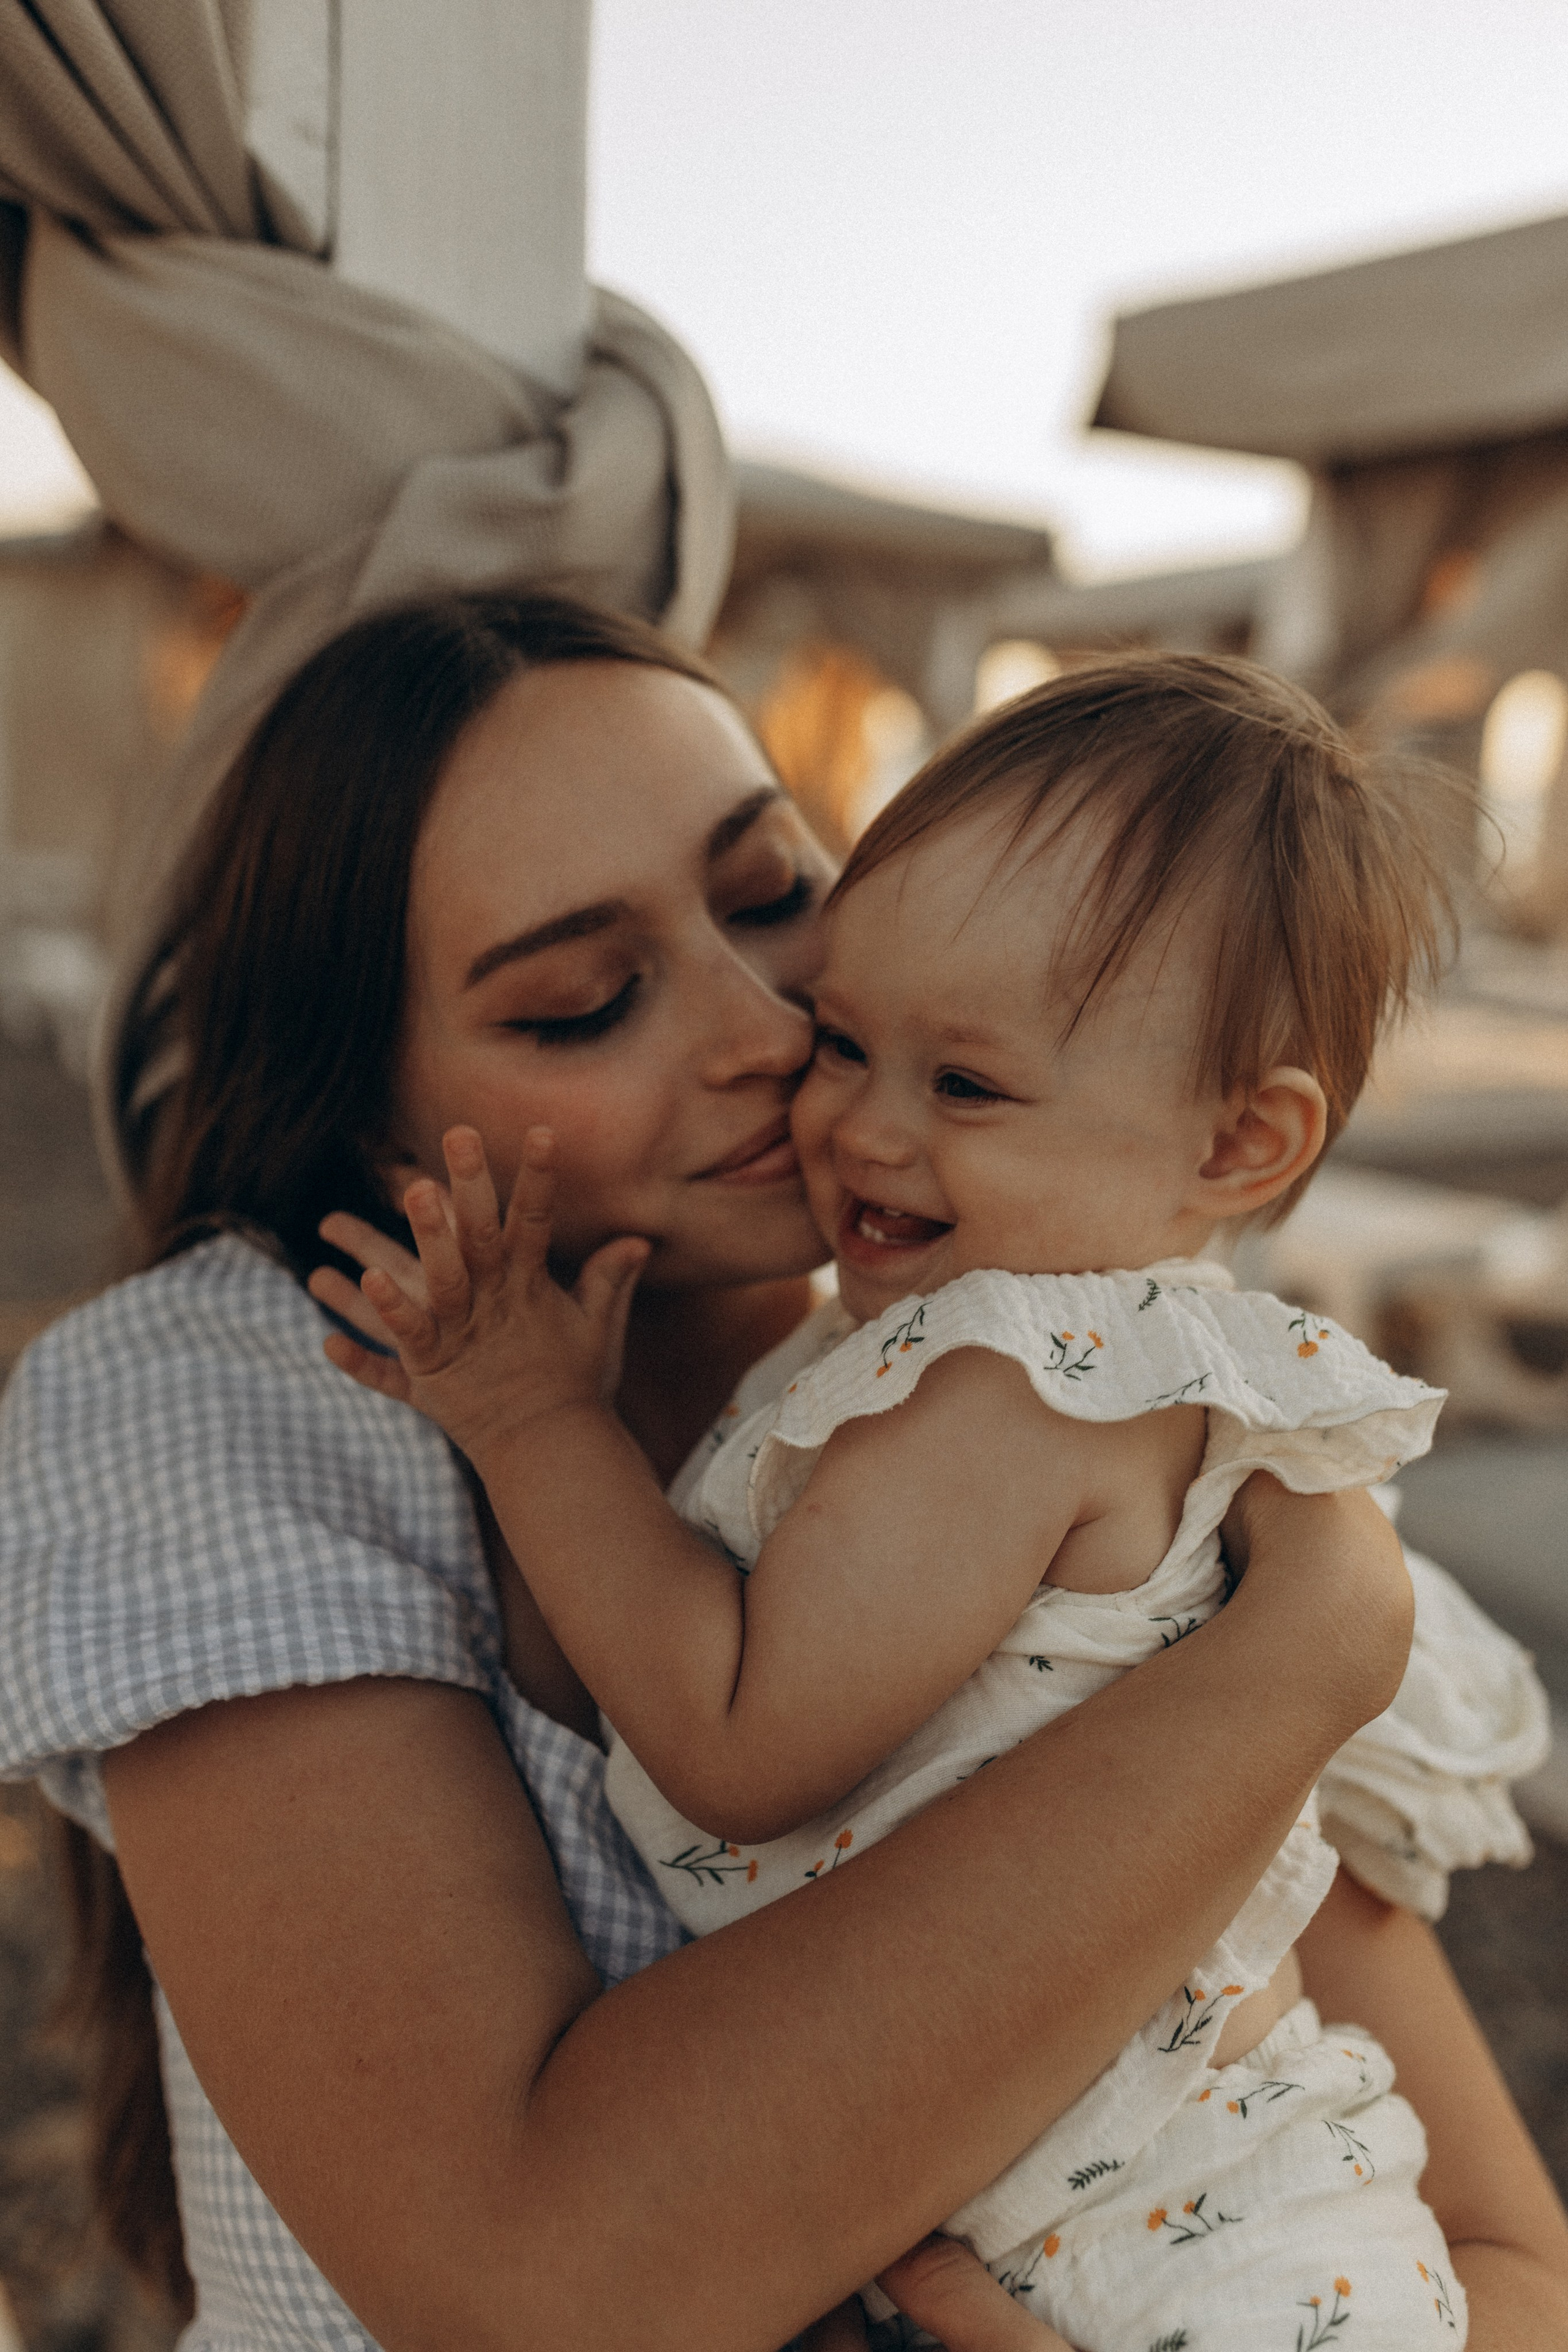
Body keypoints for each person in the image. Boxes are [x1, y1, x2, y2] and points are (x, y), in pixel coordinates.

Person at [0, 597, 1555, 2352]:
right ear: (369, 1105)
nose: (764, 1026)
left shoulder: (1065, 1382)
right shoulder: (229, 1393)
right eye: (586, 1003)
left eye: (772, 897)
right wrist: (1310, 1656)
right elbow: (547, 2283)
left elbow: (1515, 2266)